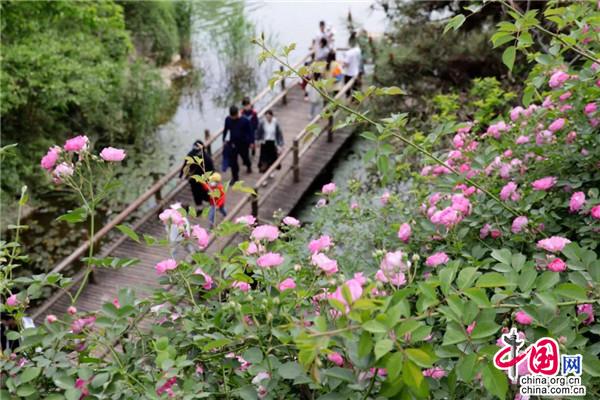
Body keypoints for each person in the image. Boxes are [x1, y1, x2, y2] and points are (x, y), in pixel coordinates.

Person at [179, 140, 215, 211]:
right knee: (196, 193)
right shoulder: (191, 155)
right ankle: (199, 207)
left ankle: (211, 202)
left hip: (204, 179)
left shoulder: (207, 159)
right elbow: (185, 165)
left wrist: (211, 179)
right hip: (194, 179)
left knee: (204, 193)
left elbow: (211, 169)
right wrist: (180, 176)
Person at [223, 105, 252, 183]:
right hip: (232, 144)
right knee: (233, 162)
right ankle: (235, 177)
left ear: (237, 114)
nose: (233, 118)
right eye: (231, 117)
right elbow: (226, 130)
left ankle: (248, 166)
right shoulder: (228, 119)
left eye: (234, 116)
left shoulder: (245, 121)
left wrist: (251, 142)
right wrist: (224, 140)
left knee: (245, 157)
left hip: (243, 144)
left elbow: (250, 132)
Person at [343, 32, 362, 96]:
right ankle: (354, 101)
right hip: (356, 73)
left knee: (347, 91)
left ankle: (348, 99)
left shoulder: (349, 52)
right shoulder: (358, 50)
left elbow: (346, 64)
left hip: (349, 74)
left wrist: (342, 66)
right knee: (355, 91)